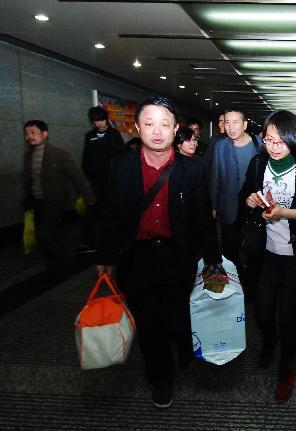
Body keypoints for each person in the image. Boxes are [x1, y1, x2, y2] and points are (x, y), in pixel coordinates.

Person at [96, 96, 221, 409]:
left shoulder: (192, 170)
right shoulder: (120, 166)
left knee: (176, 315)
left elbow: (203, 218)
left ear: (176, 129)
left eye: (165, 124)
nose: (157, 131)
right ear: (137, 127)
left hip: (176, 256)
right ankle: (160, 377)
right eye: (149, 123)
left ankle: (182, 340)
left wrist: (213, 260)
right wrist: (104, 256)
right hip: (135, 258)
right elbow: (109, 214)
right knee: (148, 324)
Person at [241, 110, 296, 402]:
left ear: (293, 140)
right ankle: (269, 340)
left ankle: (286, 367)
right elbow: (246, 197)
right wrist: (250, 199)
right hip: (265, 255)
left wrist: (283, 213)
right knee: (263, 314)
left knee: (288, 317)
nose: (273, 147)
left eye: (280, 142)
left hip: (294, 258)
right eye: (268, 140)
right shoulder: (258, 163)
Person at [23, 120, 96, 280]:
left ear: (45, 134)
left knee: (45, 235)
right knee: (44, 239)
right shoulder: (29, 156)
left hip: (55, 203)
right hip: (37, 203)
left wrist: (90, 200)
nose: (29, 137)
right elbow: (28, 181)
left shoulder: (59, 155)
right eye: (27, 133)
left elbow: (79, 178)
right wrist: (26, 202)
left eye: (33, 132)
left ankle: (68, 259)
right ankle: (53, 269)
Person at [209, 109, 263, 266]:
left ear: (245, 125)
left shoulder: (258, 144)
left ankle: (251, 281)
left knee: (254, 246)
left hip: (254, 205)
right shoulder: (220, 146)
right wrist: (213, 206)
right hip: (229, 205)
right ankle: (236, 281)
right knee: (230, 249)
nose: (231, 127)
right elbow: (215, 177)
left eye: (235, 122)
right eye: (227, 123)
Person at [81, 106, 126, 251]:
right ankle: (90, 242)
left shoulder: (114, 135)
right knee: (92, 211)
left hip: (112, 182)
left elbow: (121, 157)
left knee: (111, 212)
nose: (99, 123)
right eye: (95, 121)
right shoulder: (90, 136)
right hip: (95, 182)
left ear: (105, 119)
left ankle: (114, 241)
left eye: (101, 120)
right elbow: (86, 158)